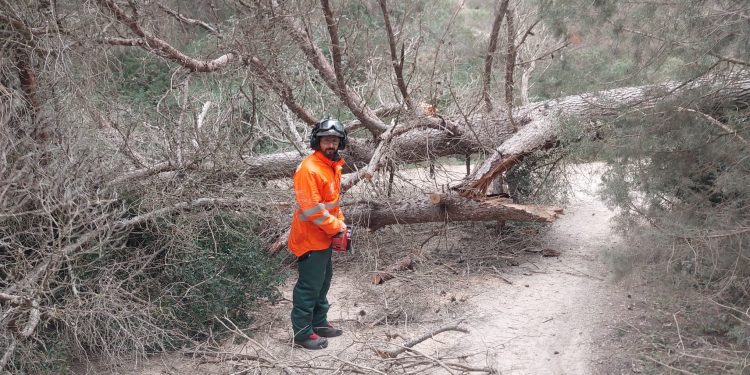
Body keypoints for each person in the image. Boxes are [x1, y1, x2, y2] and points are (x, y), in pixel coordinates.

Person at [287, 116, 350, 350]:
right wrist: (338, 228)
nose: (330, 144)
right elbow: (312, 210)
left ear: (340, 142)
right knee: (309, 286)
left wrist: (341, 224)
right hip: (309, 239)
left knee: (323, 283)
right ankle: (303, 334)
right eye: (326, 140)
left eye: (334, 140)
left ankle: (319, 323)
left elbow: (332, 204)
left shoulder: (332, 166)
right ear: (317, 141)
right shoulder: (309, 169)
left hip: (323, 237)